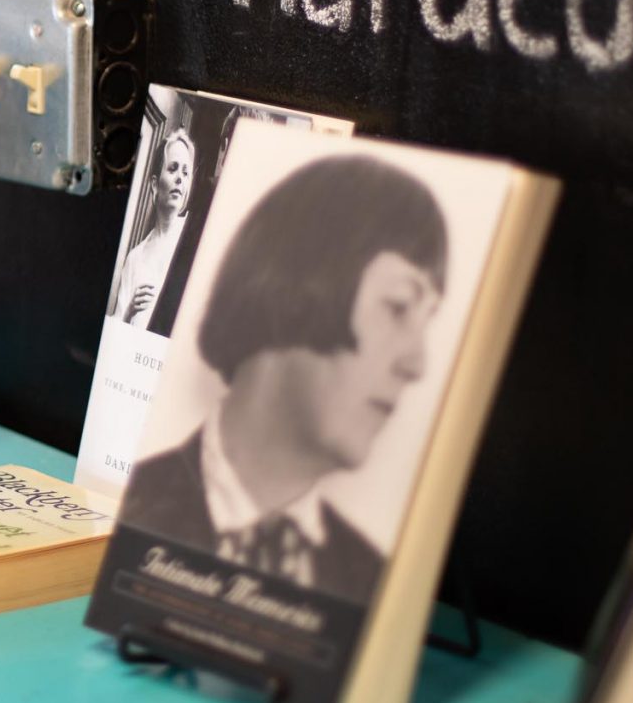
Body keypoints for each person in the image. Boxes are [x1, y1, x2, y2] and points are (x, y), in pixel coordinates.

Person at [118, 155, 448, 605]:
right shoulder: (134, 511)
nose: (418, 364)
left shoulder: (371, 582)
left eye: (426, 321)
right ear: (296, 288)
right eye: (397, 307)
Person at [108, 127, 197, 330]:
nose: (180, 178)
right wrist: (130, 309)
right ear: (155, 185)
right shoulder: (135, 258)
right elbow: (116, 329)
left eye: (186, 172)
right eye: (173, 168)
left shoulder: (194, 238)